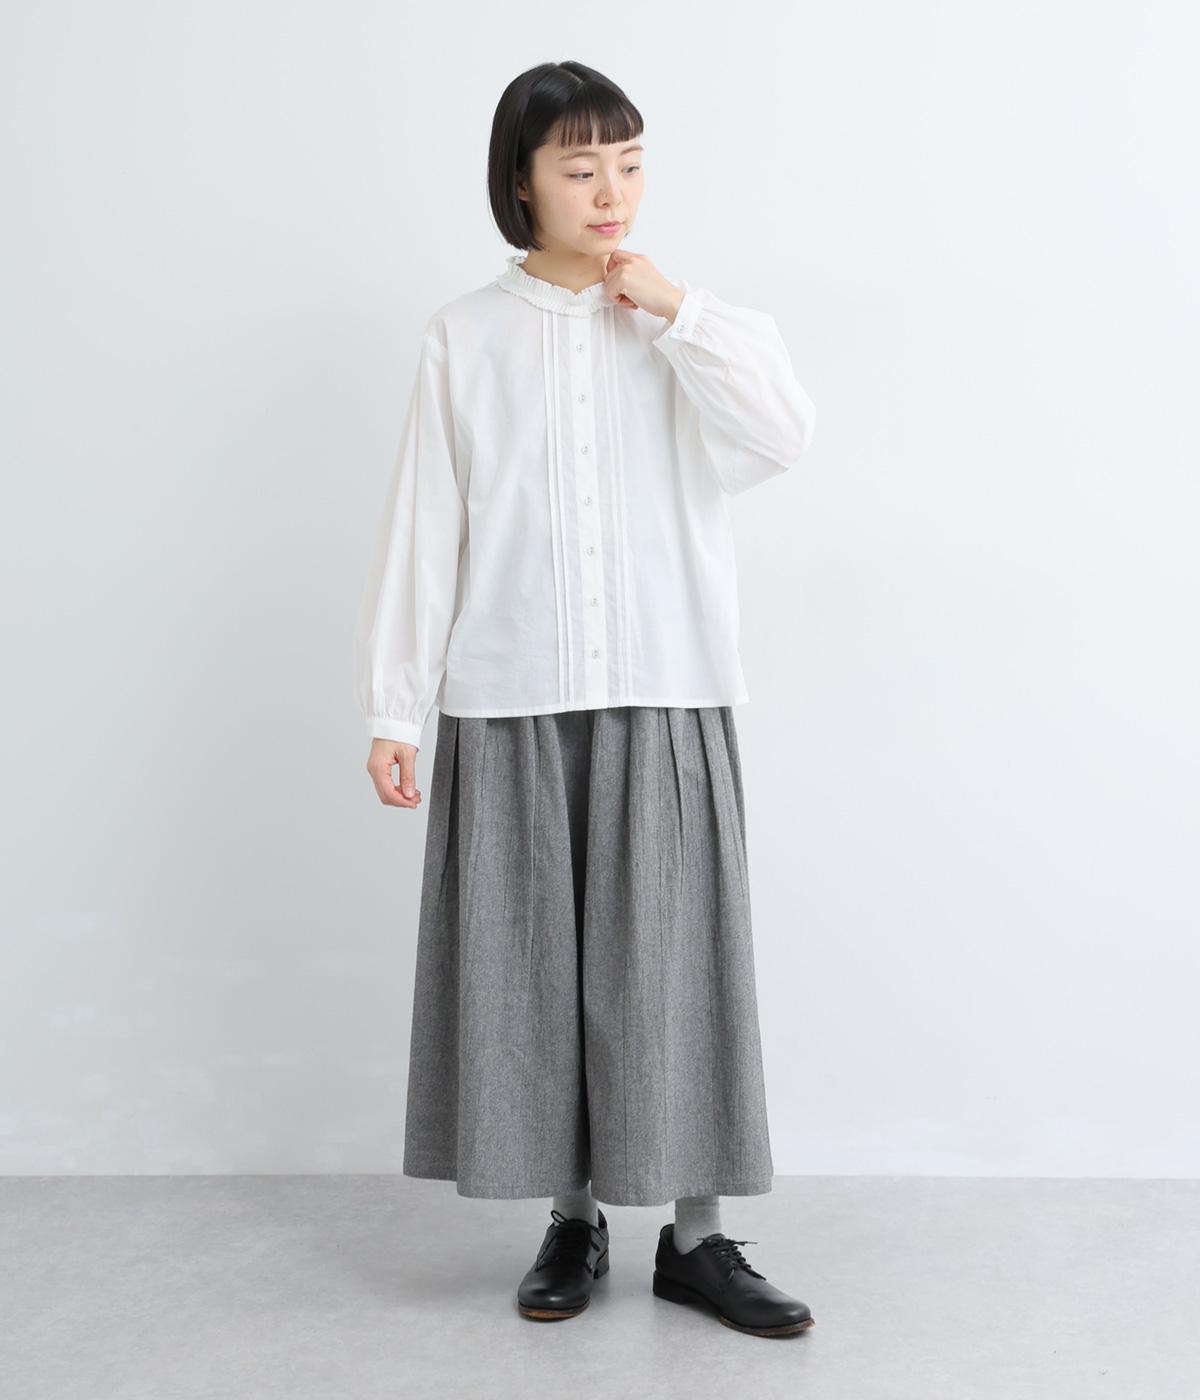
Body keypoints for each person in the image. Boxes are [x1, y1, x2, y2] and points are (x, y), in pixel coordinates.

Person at [353, 59, 817, 1339]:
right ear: (522, 184)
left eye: (629, 161)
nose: (611, 189)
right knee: (534, 970)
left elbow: (783, 437)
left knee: (675, 967)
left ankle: (698, 1237)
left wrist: (676, 309)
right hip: (511, 695)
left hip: (667, 686)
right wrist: (395, 705)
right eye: (579, 166)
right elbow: (426, 525)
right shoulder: (464, 333)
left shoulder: (687, 327)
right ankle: (571, 1218)